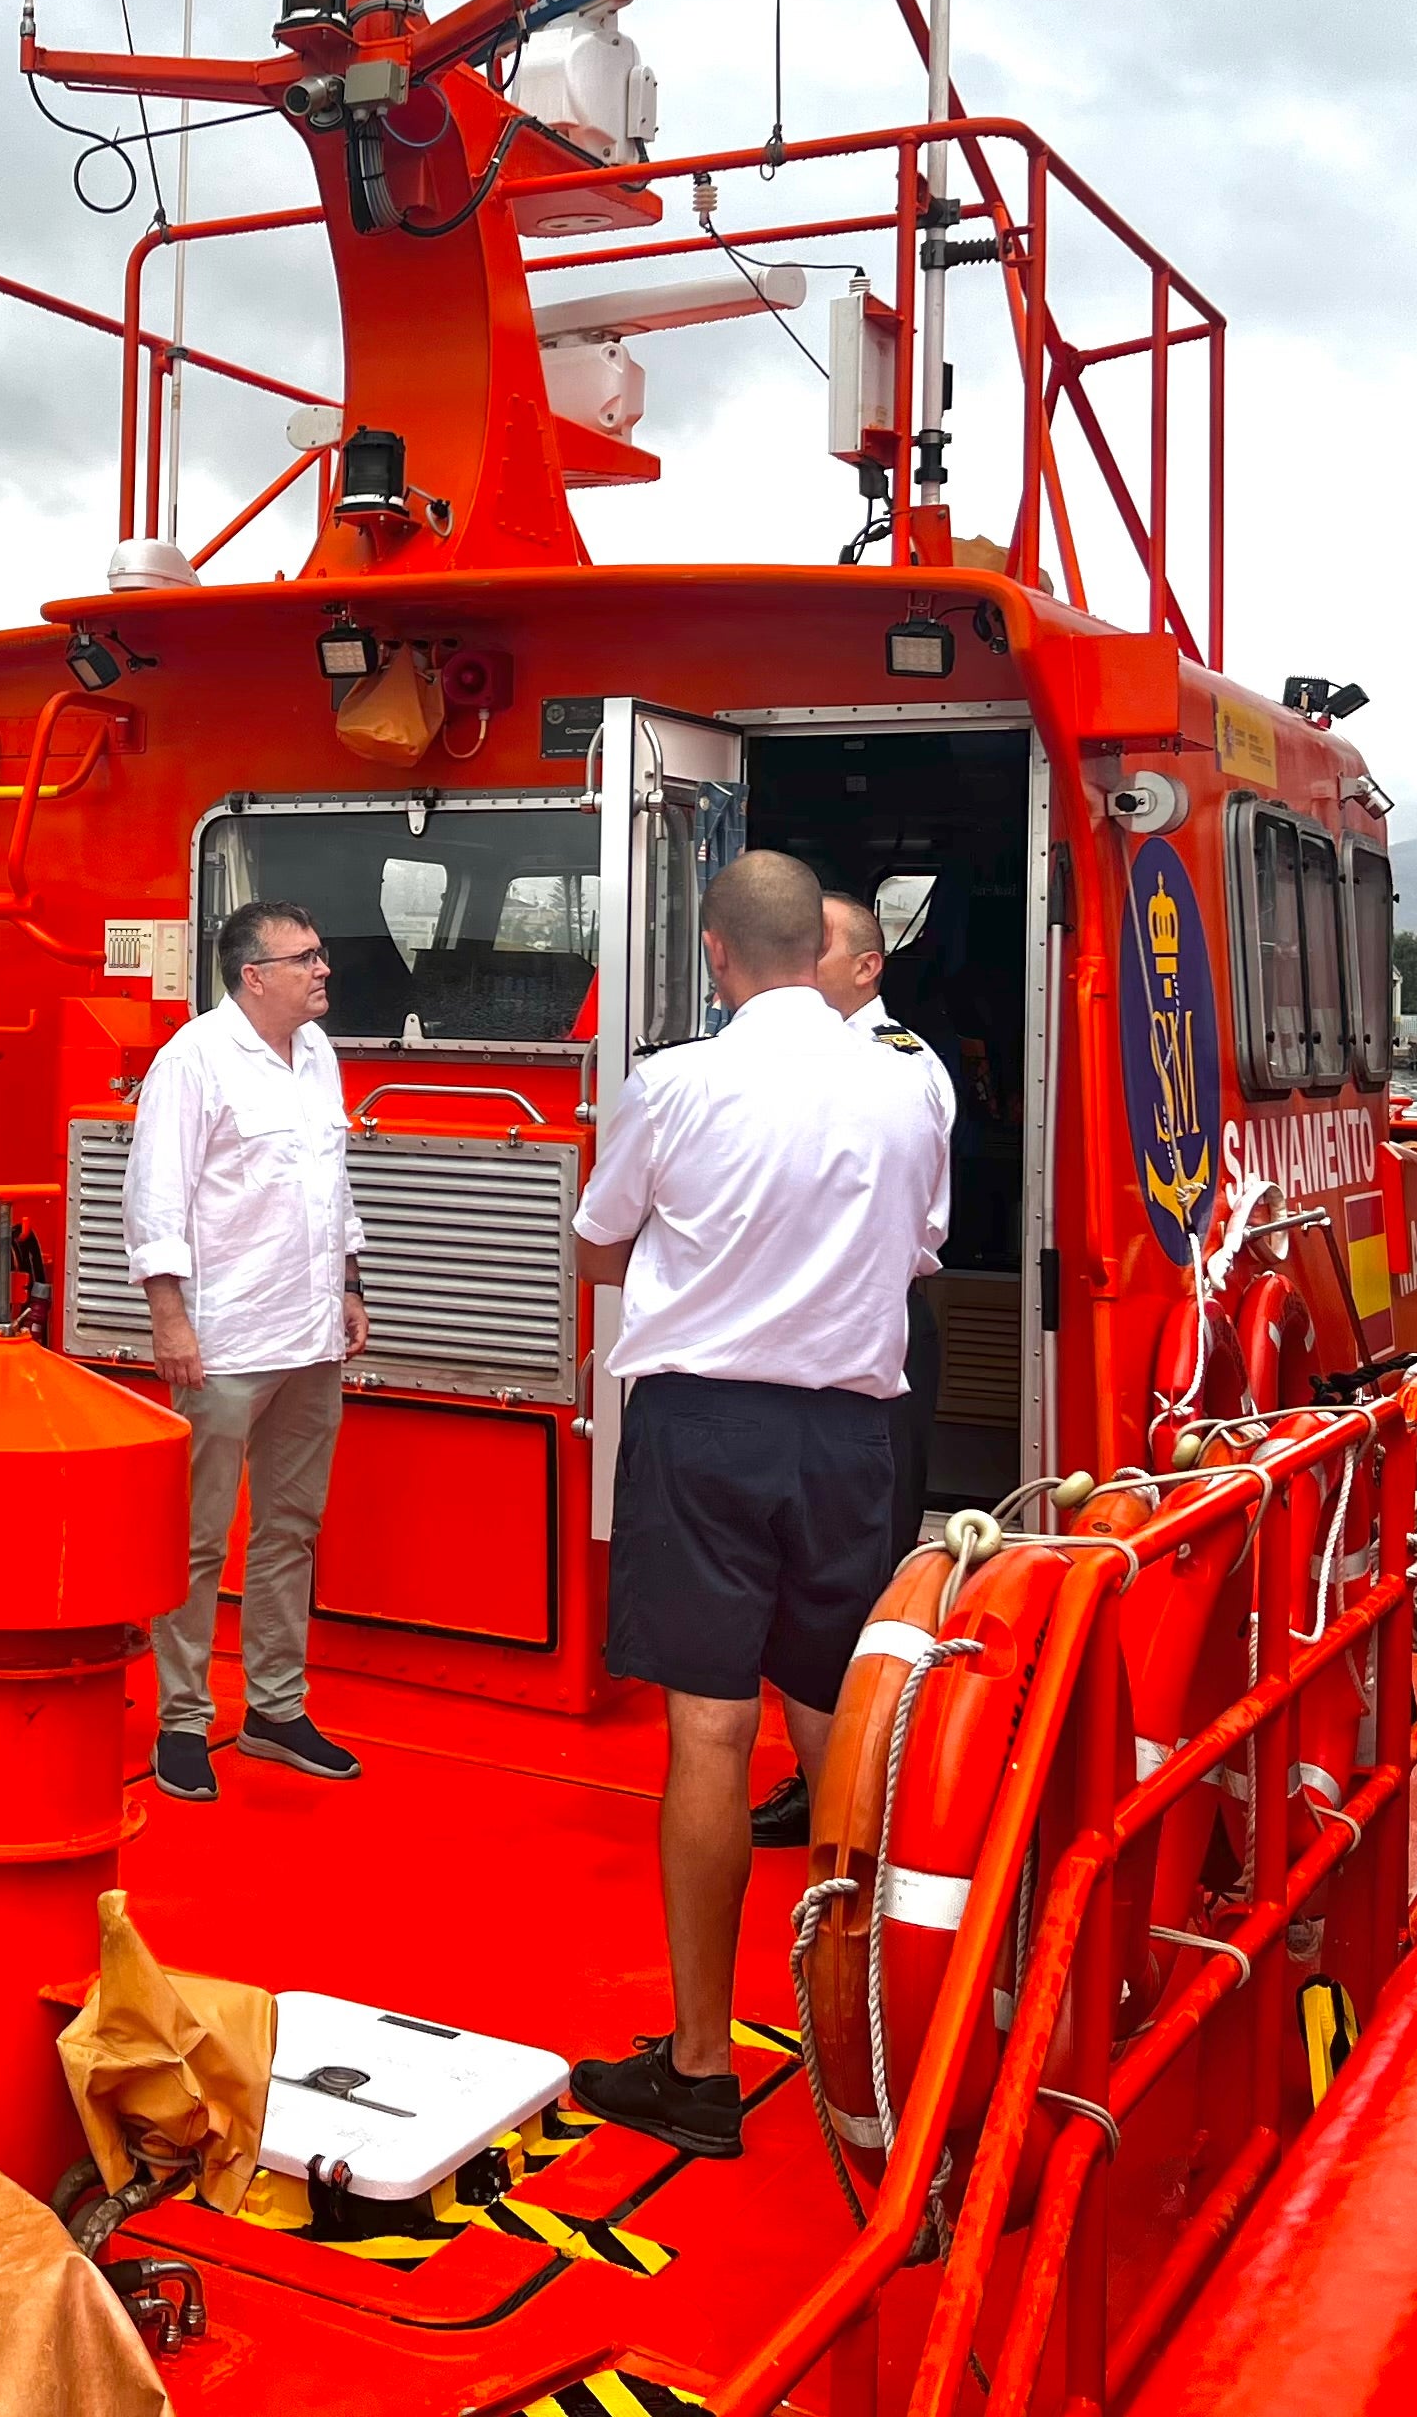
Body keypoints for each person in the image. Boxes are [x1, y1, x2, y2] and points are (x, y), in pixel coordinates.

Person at [565, 852, 950, 2159]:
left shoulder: (677, 1082)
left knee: (712, 1732)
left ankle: (698, 2067)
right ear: (818, 951)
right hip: (850, 1434)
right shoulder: (907, 1087)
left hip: (705, 1427)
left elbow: (599, 1242)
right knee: (834, 1713)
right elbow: (920, 1250)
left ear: (718, 954)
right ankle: (864, 2041)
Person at [124, 896, 368, 1803]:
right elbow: (155, 1197)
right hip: (224, 1339)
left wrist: (350, 1285)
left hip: (309, 1333)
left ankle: (275, 1708)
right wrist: (170, 1319)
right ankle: (183, 1719)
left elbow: (333, 1185)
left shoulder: (318, 1053)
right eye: (305, 958)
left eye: (321, 953)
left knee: (291, 1529)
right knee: (196, 1540)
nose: (323, 969)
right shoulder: (192, 1059)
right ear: (253, 976)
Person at [818, 887, 959, 1590]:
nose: (793, 958)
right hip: (808, 1317)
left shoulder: (902, 1063)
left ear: (868, 966)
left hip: (876, 1309)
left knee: (878, 1521)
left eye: (815, 946)